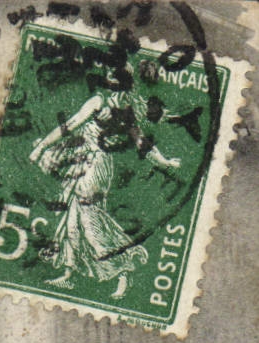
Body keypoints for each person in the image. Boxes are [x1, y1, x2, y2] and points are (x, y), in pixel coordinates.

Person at [27, 60, 183, 298]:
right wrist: (166, 162)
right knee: (74, 217)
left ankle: (122, 270)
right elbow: (144, 145)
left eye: (111, 76)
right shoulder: (127, 109)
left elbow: (69, 126)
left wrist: (41, 149)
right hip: (94, 164)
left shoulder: (99, 102)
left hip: (91, 164)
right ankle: (68, 273)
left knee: (89, 221)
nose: (108, 78)